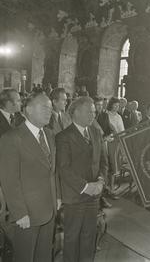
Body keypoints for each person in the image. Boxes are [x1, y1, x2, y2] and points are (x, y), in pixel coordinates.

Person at [0, 92, 61, 262]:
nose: (49, 111)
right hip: (27, 213)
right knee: (25, 257)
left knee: (44, 256)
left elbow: (52, 170)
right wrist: (19, 213)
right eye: (44, 107)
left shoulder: (49, 134)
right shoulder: (12, 138)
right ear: (28, 110)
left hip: (49, 209)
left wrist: (57, 196)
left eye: (50, 108)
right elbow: (9, 180)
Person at [56, 97, 108, 262]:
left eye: (94, 111)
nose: (93, 114)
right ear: (76, 112)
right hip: (75, 196)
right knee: (72, 237)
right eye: (89, 111)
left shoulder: (95, 132)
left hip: (94, 196)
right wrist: (86, 186)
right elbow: (64, 168)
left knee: (89, 236)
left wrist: (100, 181)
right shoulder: (64, 136)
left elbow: (103, 162)